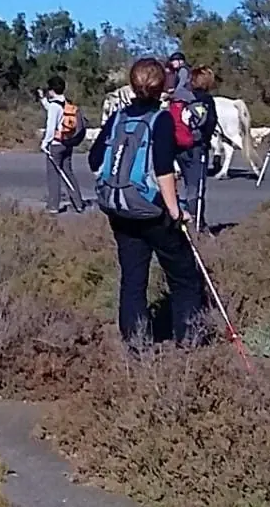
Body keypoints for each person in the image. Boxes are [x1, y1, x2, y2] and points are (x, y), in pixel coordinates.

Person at [90, 58, 204, 345]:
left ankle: (136, 345)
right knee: (184, 278)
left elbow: (94, 159)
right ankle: (189, 342)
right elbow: (164, 169)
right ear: (161, 86)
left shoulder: (118, 117)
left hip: (120, 209)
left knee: (133, 280)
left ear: (132, 84)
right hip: (153, 211)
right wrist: (176, 211)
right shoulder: (160, 119)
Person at [176, 66, 220, 230]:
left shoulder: (181, 98)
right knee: (196, 186)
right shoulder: (206, 100)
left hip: (178, 147)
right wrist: (205, 140)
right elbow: (211, 122)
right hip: (197, 147)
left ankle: (182, 215)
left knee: (185, 183)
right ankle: (196, 222)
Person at [40, 75, 88, 214]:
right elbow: (53, 109)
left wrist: (45, 143)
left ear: (52, 90)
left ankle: (53, 206)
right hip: (67, 143)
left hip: (56, 145)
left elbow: (51, 128)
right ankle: (78, 203)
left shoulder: (54, 106)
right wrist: (43, 100)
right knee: (68, 172)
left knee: (54, 176)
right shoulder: (66, 103)